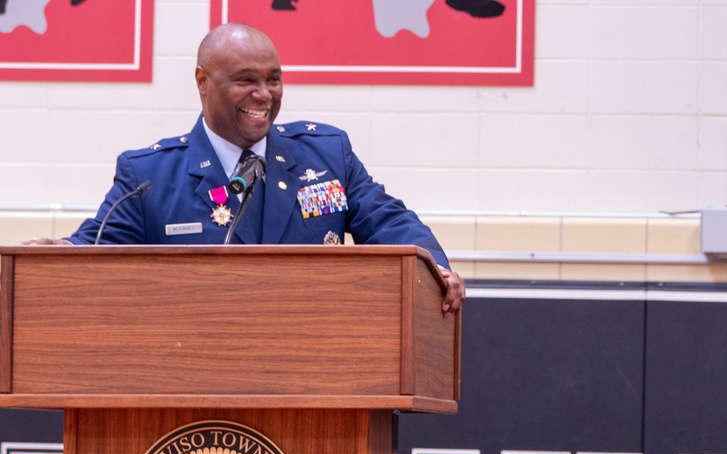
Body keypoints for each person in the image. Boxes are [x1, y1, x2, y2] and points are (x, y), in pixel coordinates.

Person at [24, 22, 465, 315]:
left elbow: (388, 221)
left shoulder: (326, 154)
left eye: (273, 79)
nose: (264, 95)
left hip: (315, 374)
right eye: (245, 80)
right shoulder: (150, 178)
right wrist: (59, 251)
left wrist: (437, 269)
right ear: (202, 81)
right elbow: (95, 249)